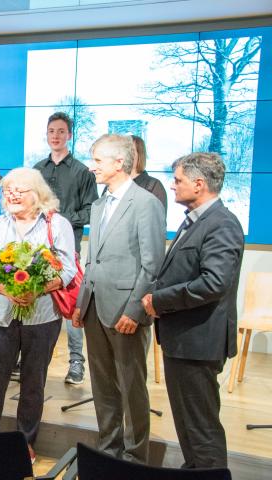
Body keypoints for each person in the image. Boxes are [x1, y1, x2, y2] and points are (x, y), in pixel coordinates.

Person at [142, 152, 243, 469]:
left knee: (201, 429)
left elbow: (214, 283)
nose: (172, 187)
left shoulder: (221, 224)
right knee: (189, 425)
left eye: (178, 180)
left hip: (198, 341)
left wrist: (159, 300)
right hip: (184, 339)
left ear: (199, 184)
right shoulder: (197, 220)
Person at [72, 134, 165, 463]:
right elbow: (91, 259)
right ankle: (108, 453)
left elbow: (152, 264)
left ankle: (135, 459)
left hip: (126, 311)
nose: (92, 166)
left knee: (131, 387)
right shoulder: (98, 206)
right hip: (95, 308)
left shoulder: (146, 203)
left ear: (119, 163)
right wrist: (82, 303)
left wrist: (136, 310)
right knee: (103, 385)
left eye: (97, 160)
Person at [0, 167, 77, 464]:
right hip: (3, 315)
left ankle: (24, 443)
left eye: (20, 190)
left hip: (42, 317)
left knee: (34, 383)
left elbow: (68, 270)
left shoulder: (57, 225)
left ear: (38, 194)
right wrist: (5, 291)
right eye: (8, 191)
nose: (13, 195)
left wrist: (38, 289)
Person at [33, 112, 98, 385]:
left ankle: (76, 363)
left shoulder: (82, 172)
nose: (55, 136)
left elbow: (92, 211)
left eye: (61, 131)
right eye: (51, 131)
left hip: (66, 249)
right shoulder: (37, 169)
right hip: (35, 249)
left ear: (69, 135)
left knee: (70, 304)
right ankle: (33, 362)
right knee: (34, 299)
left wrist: (62, 219)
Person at [131, 135, 167, 212]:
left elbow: (158, 221)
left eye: (131, 151)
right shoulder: (113, 184)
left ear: (140, 155)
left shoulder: (154, 186)